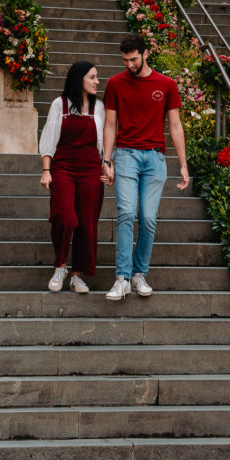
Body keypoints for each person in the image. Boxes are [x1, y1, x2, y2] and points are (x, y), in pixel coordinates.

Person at [102, 35, 189, 301]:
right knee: (127, 212)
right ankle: (122, 278)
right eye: (125, 60)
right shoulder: (115, 84)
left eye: (133, 59)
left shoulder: (167, 85)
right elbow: (110, 125)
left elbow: (175, 126)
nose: (129, 65)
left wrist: (183, 165)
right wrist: (107, 160)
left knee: (148, 218)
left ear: (145, 53)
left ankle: (139, 273)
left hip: (155, 158)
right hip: (126, 154)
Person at [39, 61, 105, 294]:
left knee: (87, 223)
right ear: (79, 79)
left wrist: (107, 165)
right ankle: (60, 267)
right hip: (63, 166)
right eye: (92, 77)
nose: (97, 82)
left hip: (91, 168)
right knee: (64, 217)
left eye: (97, 77)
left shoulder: (99, 107)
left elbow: (103, 141)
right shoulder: (60, 104)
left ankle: (77, 275)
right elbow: (49, 137)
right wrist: (46, 171)